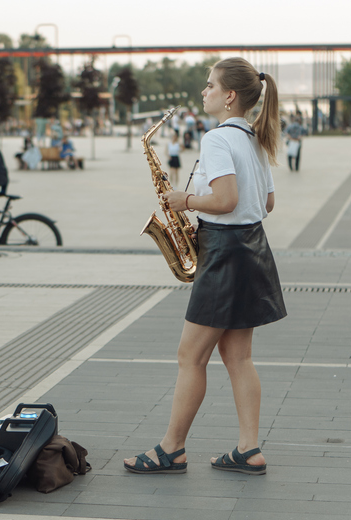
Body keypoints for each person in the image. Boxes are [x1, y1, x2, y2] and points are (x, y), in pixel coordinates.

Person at [123, 58, 286, 476]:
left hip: (225, 254)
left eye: (210, 85)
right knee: (239, 357)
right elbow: (265, 204)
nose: (204, 91)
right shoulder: (253, 137)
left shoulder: (217, 139)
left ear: (229, 96)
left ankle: (171, 449)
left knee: (189, 356)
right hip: (251, 249)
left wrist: (185, 201)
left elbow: (226, 199)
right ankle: (248, 449)